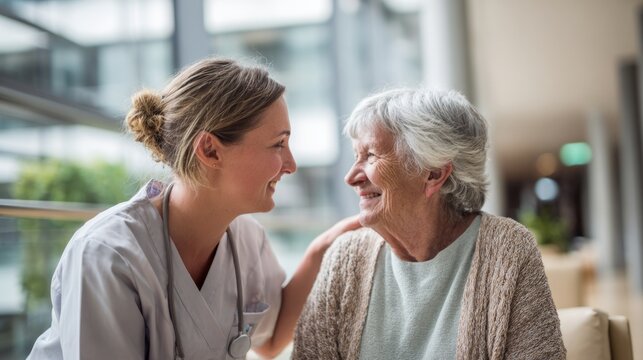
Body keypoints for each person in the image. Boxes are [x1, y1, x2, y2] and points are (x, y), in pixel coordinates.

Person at [27, 57, 359, 360]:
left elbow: (269, 340)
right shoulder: (108, 255)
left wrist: (325, 248)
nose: (291, 164)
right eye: (278, 144)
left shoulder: (246, 240)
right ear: (211, 151)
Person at [292, 88, 566, 359]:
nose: (351, 177)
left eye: (371, 155)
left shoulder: (506, 251)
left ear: (434, 175)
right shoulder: (345, 259)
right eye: (356, 156)